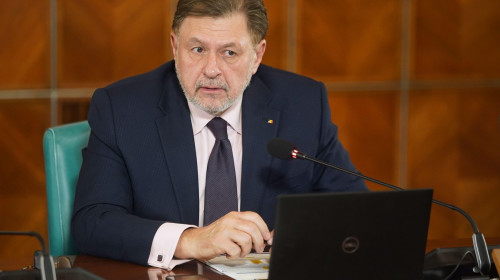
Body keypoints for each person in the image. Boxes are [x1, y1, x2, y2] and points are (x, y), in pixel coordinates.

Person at [71, 0, 368, 270]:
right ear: (175, 47)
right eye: (198, 49)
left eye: (229, 52)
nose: (211, 69)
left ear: (256, 56)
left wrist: (310, 230)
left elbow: (355, 208)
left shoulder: (302, 104)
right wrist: (192, 240)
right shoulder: (123, 109)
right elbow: (92, 223)